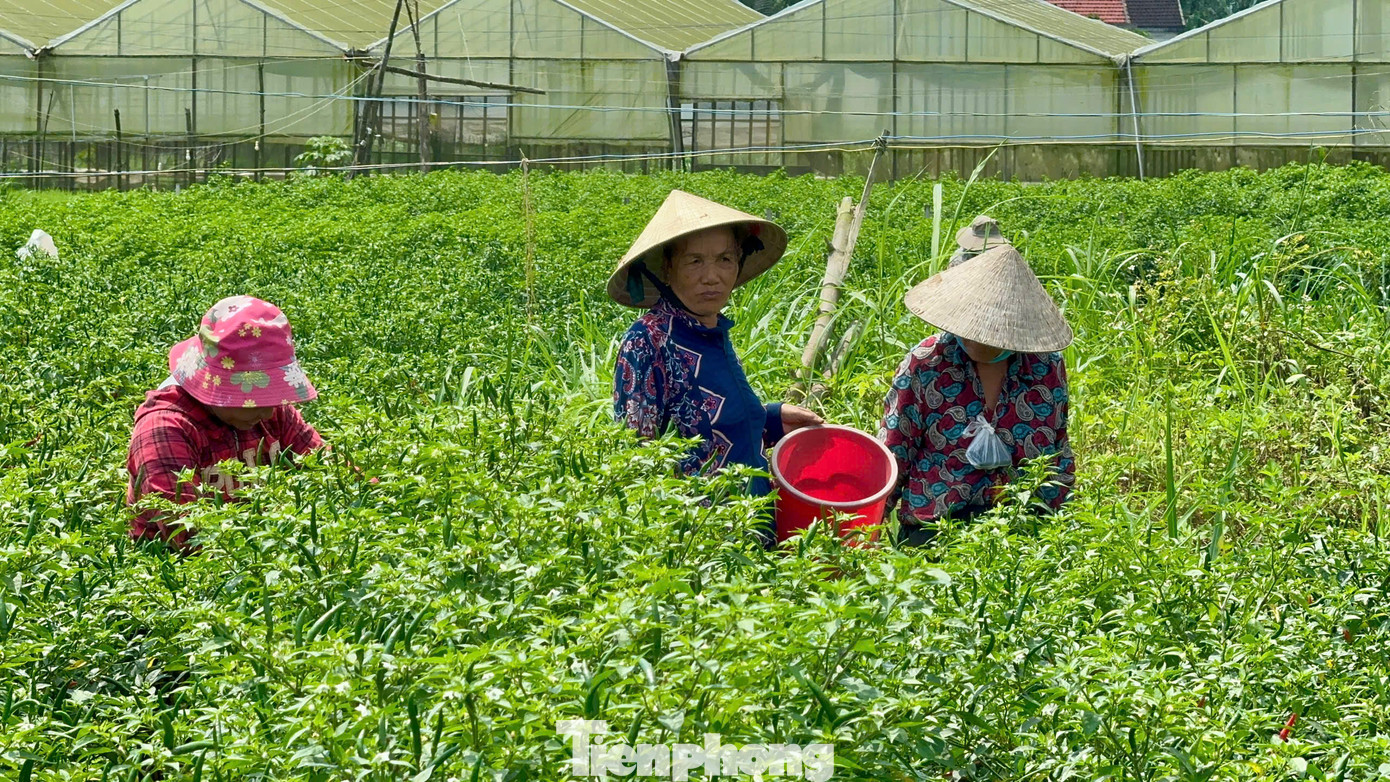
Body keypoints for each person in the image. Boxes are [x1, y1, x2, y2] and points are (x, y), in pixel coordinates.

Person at [611, 190, 822, 543]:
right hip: (703, 546)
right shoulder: (648, 341)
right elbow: (637, 458)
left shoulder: (713, 331)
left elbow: (710, 427)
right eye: (695, 261)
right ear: (667, 267)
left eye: (725, 259)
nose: (712, 276)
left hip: (753, 529)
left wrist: (770, 418)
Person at [880, 244, 1074, 547]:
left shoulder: (1045, 368)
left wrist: (1060, 532)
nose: (978, 338)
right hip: (936, 530)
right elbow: (895, 450)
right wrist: (867, 529)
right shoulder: (927, 363)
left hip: (1021, 529)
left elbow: (1057, 449)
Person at [126, 296, 322, 549]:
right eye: (252, 397)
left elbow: (326, 465)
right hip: (187, 568)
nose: (267, 410)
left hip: (261, 546)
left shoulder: (273, 412)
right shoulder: (165, 427)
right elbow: (186, 533)